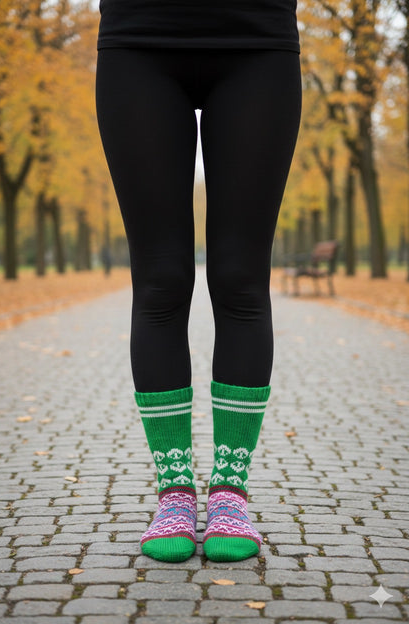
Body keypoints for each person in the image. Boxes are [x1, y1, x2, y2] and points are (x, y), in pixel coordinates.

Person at [95, 1, 302, 563]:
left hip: (258, 37)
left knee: (239, 278)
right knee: (161, 280)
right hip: (137, 37)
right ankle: (176, 494)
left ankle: (230, 491)